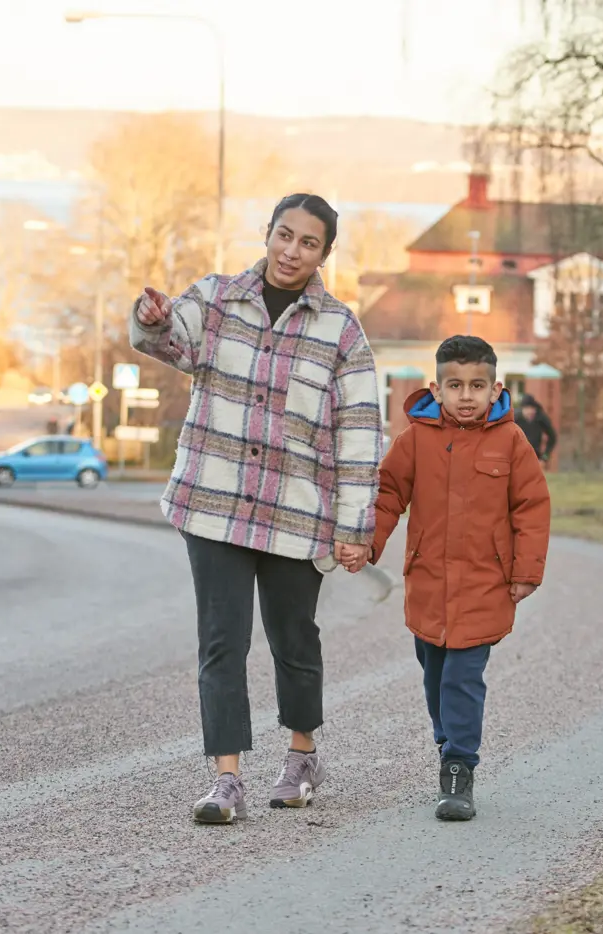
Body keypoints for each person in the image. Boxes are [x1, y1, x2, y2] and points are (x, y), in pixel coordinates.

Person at [130, 193, 381, 824]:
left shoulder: (341, 331)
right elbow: (171, 342)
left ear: (324, 254)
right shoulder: (217, 299)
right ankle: (227, 780)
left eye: (308, 243)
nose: (291, 251)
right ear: (268, 233)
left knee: (294, 639)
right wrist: (154, 319)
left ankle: (302, 757)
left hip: (296, 514)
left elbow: (359, 433)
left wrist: (354, 527)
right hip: (215, 503)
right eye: (284, 235)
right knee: (222, 642)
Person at [369, 335, 551, 820]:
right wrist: (366, 545)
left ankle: (458, 766)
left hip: (484, 585)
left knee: (463, 677)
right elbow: (387, 495)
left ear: (495, 390)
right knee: (435, 676)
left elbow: (531, 507)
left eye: (476, 386)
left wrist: (526, 571)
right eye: (455, 386)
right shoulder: (415, 440)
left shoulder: (512, 443)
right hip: (428, 583)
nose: (466, 396)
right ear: (437, 389)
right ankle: (447, 741)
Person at [515, 393, 558, 465]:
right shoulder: (515, 418)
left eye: (532, 408)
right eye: (527, 409)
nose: (530, 411)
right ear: (522, 409)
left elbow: (552, 437)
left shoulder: (541, 418)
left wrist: (545, 456)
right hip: (517, 456)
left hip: (535, 455)